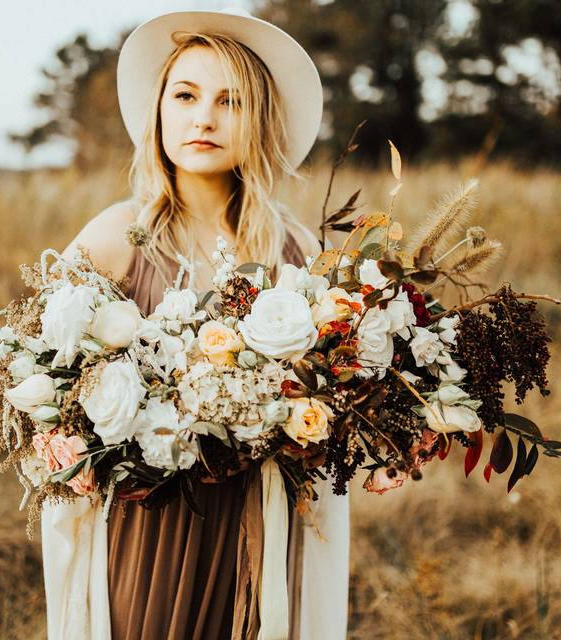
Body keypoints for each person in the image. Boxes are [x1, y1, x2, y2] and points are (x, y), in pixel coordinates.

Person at [52, 9, 349, 640]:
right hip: (148, 525)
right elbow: (43, 385)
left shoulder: (295, 249)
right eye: (185, 95)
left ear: (259, 119)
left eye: (230, 100)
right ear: (160, 109)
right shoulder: (115, 239)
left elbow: (335, 388)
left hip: (259, 517)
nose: (204, 117)